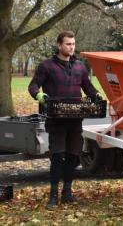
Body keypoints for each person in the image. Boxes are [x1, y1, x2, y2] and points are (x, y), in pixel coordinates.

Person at [28, 31, 101, 209]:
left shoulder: (80, 67)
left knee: (72, 157)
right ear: (59, 45)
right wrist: (39, 95)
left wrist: (96, 95)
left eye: (73, 44)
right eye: (68, 44)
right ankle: (53, 196)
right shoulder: (47, 66)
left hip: (75, 119)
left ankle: (67, 192)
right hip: (56, 119)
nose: (71, 47)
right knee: (57, 156)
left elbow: (89, 88)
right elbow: (33, 85)